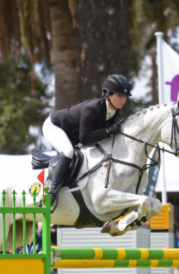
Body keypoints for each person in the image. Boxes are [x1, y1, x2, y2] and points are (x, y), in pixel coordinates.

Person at [43, 74, 131, 202]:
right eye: (119, 95)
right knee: (68, 151)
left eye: (124, 96)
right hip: (55, 126)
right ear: (107, 94)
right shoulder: (92, 109)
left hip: (73, 134)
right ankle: (52, 192)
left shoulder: (114, 110)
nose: (122, 100)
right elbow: (84, 139)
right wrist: (107, 131)